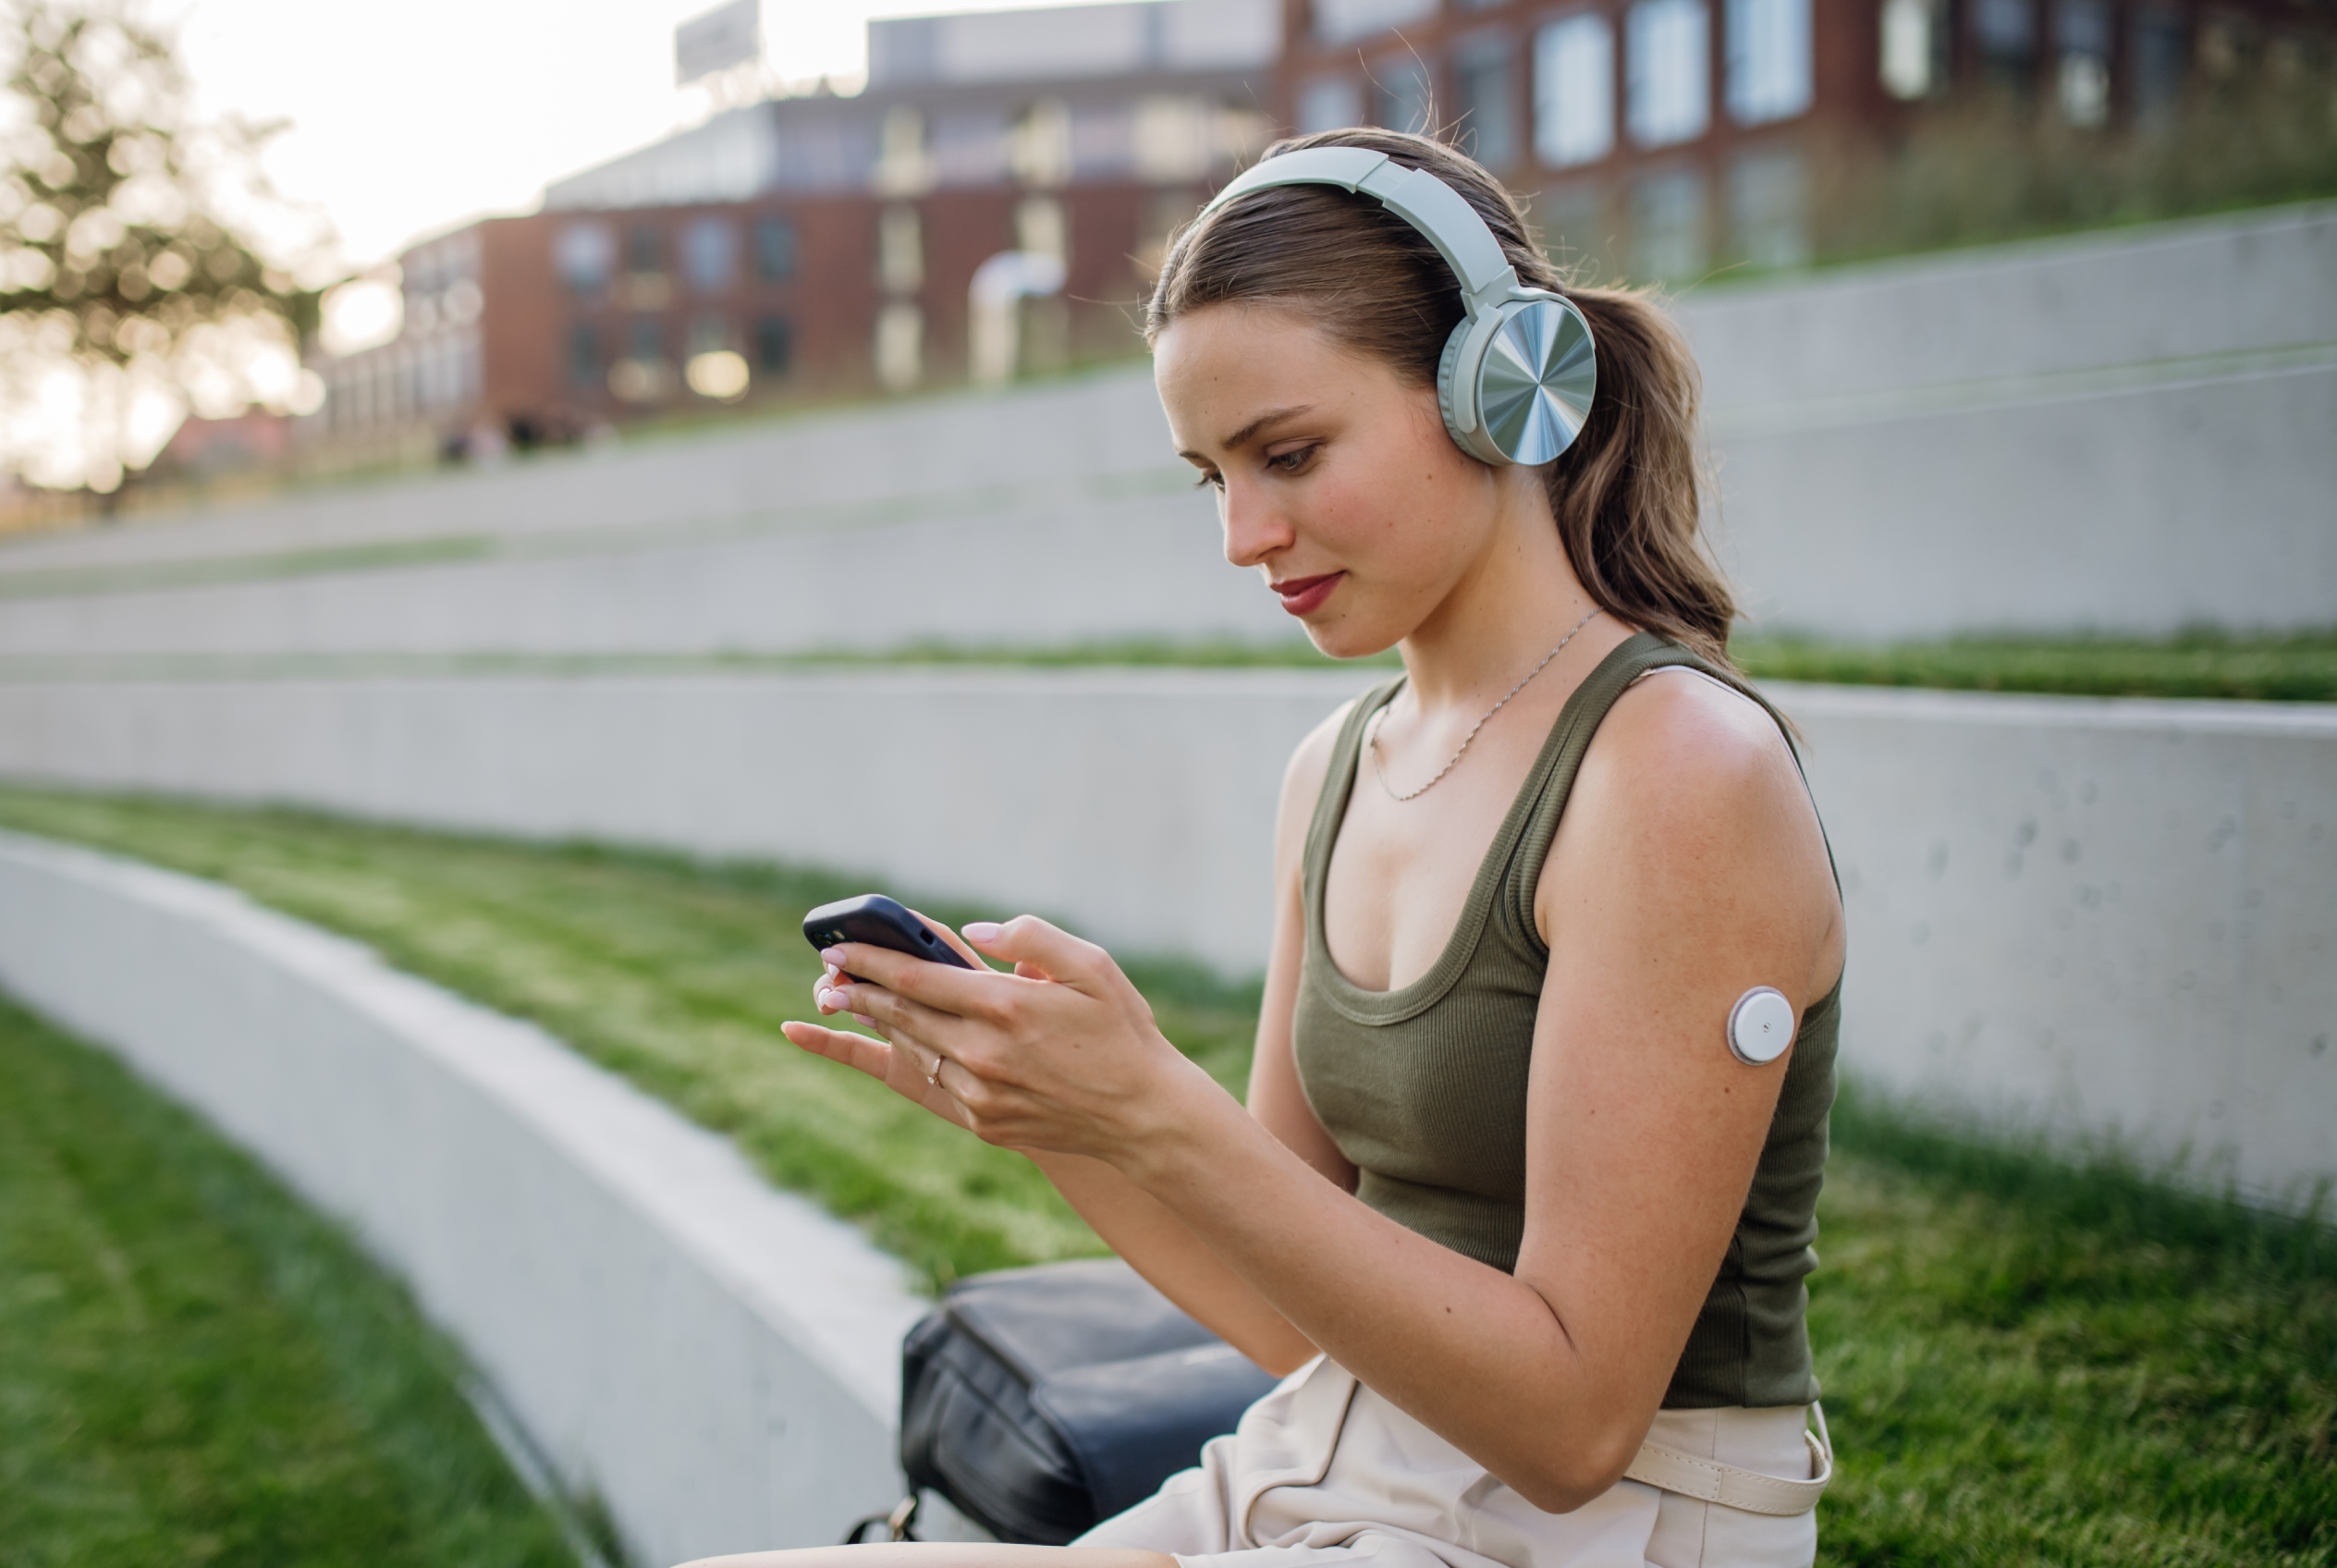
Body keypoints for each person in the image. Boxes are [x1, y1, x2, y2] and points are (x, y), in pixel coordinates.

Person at [734, 127, 1845, 1568]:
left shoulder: (1677, 775)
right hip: (1314, 1466)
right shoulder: (1336, 768)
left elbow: (1575, 1426)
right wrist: (1071, 1120)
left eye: (1292, 454)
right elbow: (1282, 1308)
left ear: (1498, 386)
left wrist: (1157, 1108)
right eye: (1211, 478)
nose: (1245, 537)